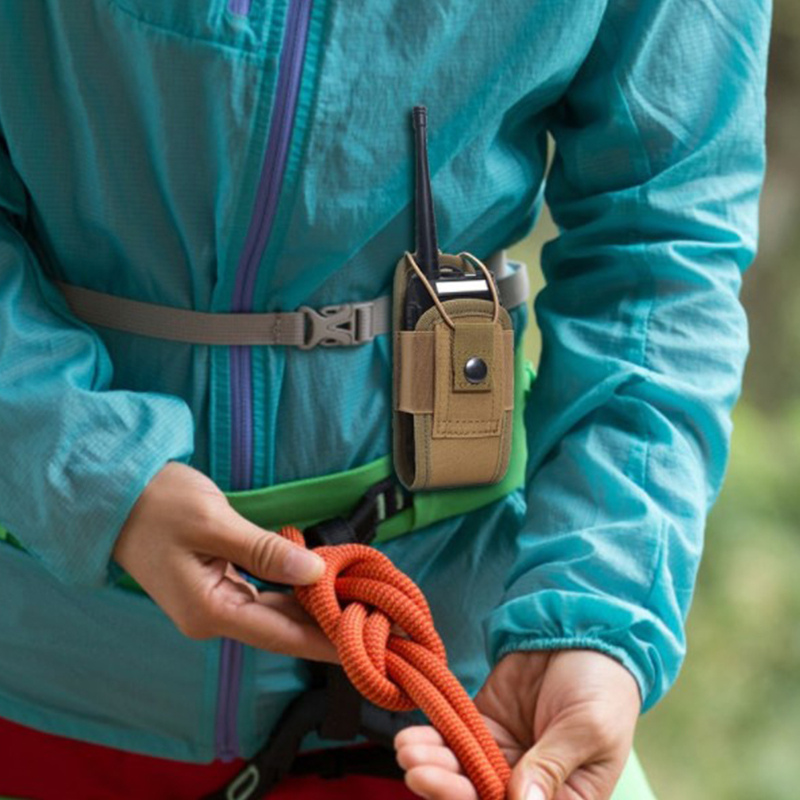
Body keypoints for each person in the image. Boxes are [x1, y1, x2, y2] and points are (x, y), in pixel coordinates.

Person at [0, 2, 770, 799]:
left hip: (460, 691)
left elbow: (660, 246)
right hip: (40, 658)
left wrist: (597, 614)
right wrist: (89, 473)